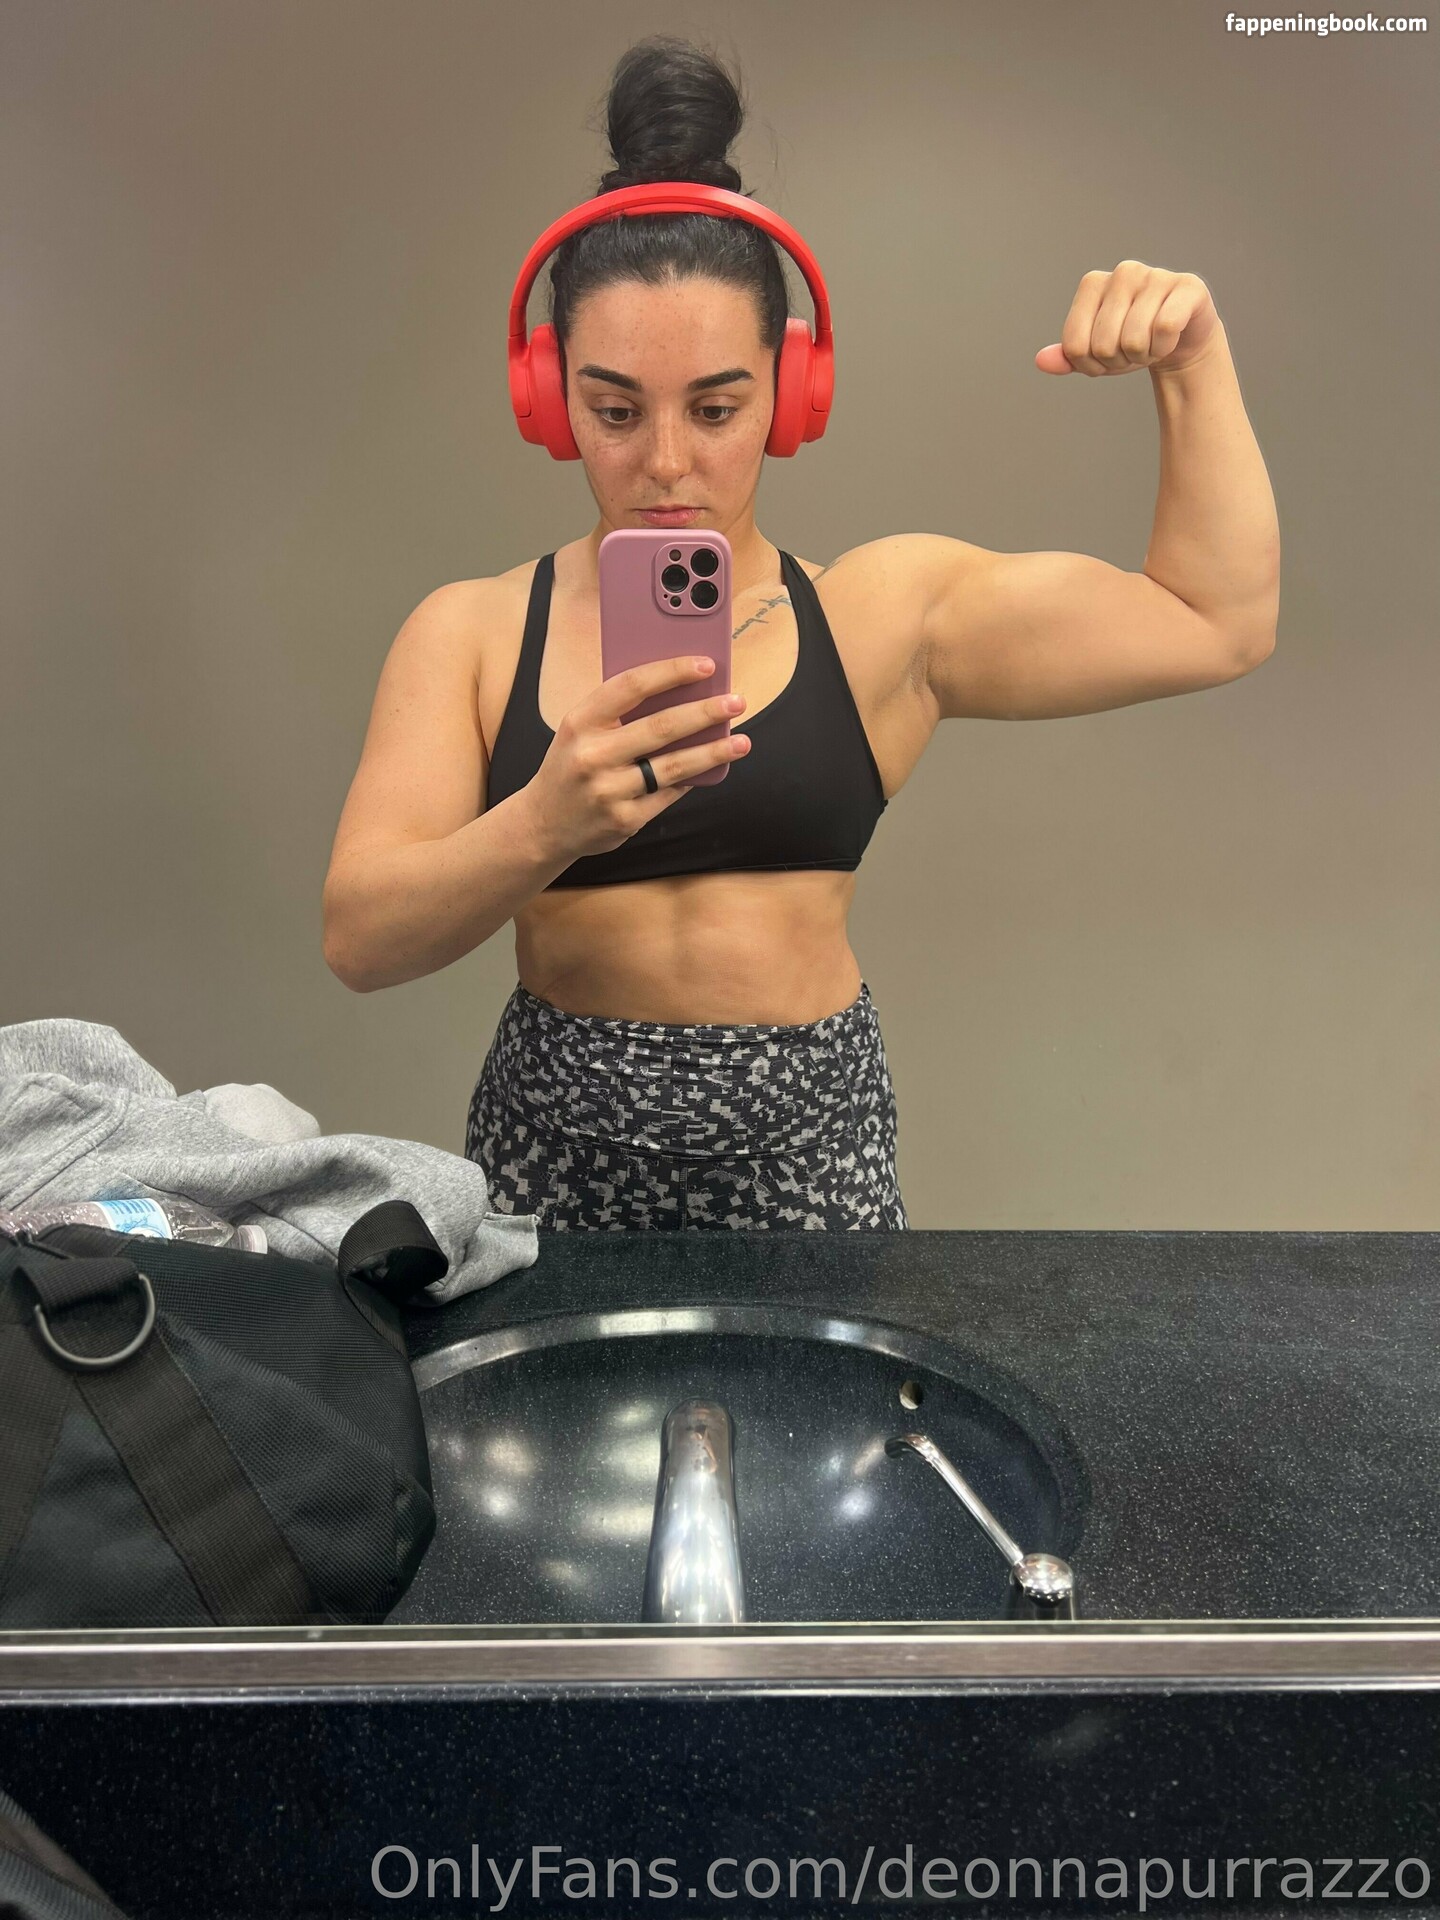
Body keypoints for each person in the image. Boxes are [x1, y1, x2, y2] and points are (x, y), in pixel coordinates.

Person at [321, 36, 1280, 1234]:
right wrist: (543, 824)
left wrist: (1195, 364)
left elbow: (1213, 621)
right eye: (615, 410)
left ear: (793, 390)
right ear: (548, 396)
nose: (667, 463)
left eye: (717, 407)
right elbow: (360, 940)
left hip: (812, 1161)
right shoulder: (471, 633)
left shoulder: (882, 616)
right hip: (551, 1160)